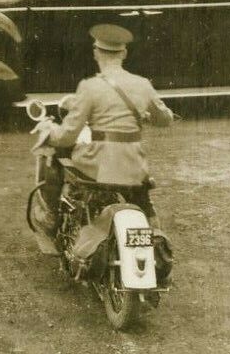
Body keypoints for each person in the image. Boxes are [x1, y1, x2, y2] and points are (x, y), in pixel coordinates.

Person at [39, 25, 175, 217]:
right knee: (142, 198)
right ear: (124, 53)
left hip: (100, 165)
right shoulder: (143, 84)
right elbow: (165, 119)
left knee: (56, 151)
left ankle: (50, 216)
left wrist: (48, 130)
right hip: (134, 165)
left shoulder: (89, 86)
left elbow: (67, 137)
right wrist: (147, 116)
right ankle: (151, 222)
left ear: (96, 53)